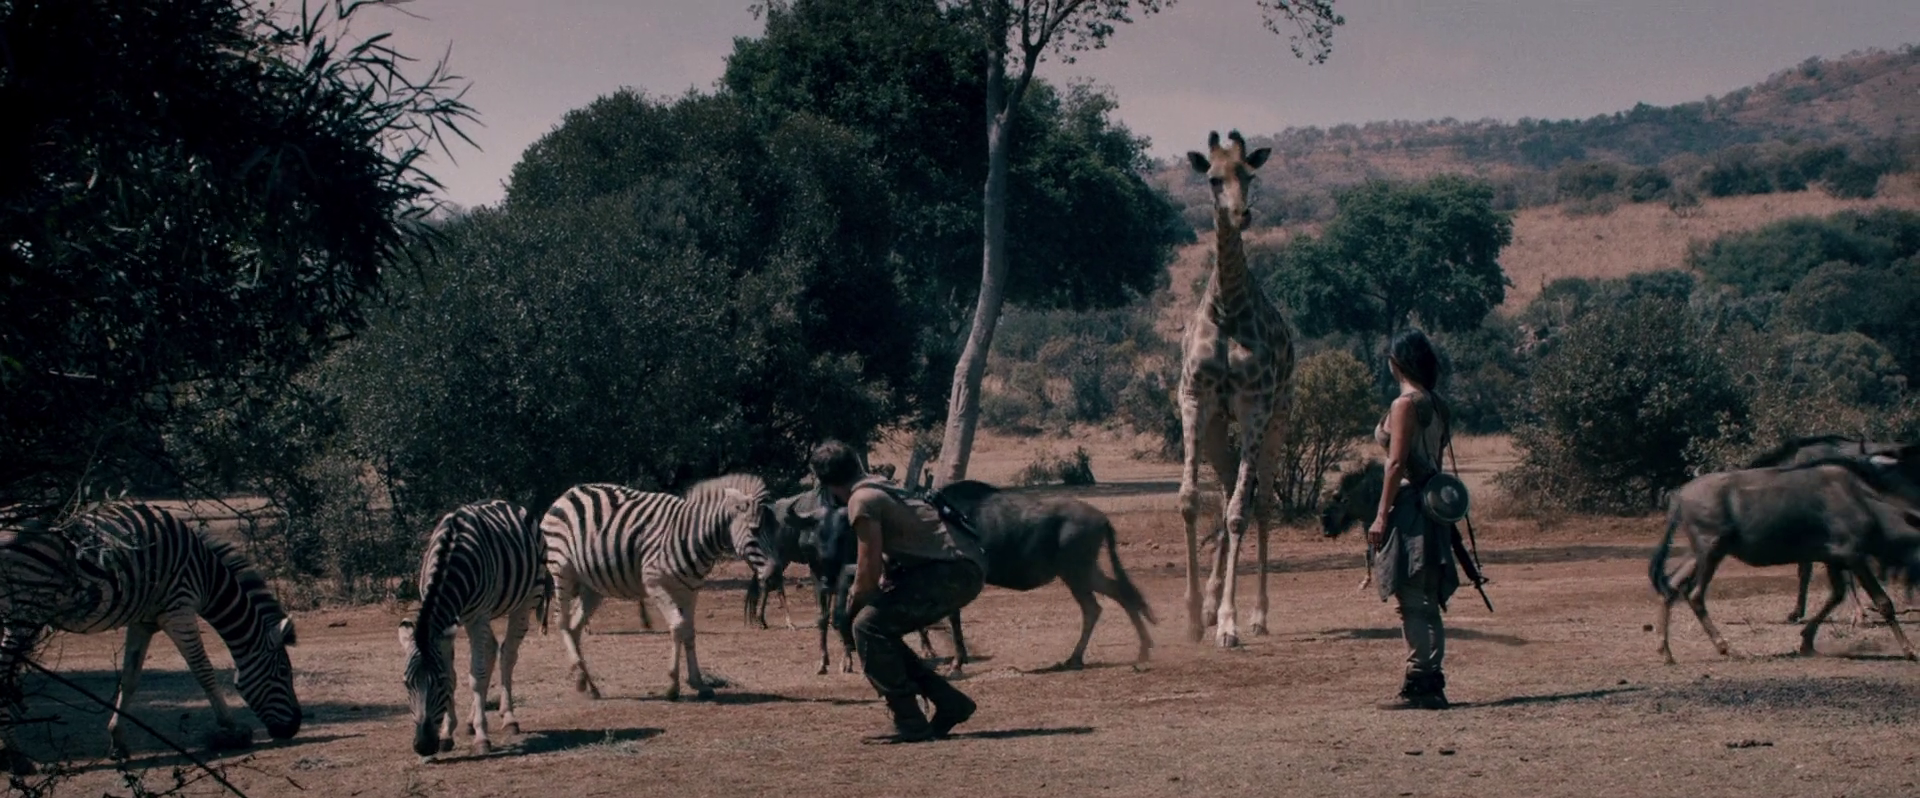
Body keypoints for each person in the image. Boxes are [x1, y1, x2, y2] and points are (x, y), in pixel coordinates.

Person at [808, 440, 987, 742]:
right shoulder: (878, 486)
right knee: (876, 630)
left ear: (824, 482)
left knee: (866, 627)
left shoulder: (861, 500)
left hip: (953, 572)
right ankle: (948, 702)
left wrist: (848, 611)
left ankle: (910, 720)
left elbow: (866, 573)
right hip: (960, 567)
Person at [1365, 329, 1464, 710]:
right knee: (1426, 600)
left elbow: (1395, 463)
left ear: (1397, 362)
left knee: (1412, 600)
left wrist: (1380, 515)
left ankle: (1421, 681)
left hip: (1409, 507)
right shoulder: (1438, 404)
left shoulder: (1404, 404)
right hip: (1435, 509)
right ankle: (1429, 679)